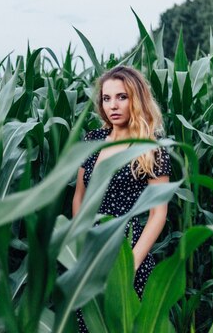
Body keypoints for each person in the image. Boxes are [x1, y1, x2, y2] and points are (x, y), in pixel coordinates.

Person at [72, 65, 171, 332]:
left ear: (136, 100)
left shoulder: (150, 148)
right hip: (91, 252)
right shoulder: (93, 140)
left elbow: (158, 213)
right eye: (107, 98)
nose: (112, 105)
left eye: (121, 97)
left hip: (127, 250)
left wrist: (131, 265)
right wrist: (80, 248)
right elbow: (79, 197)